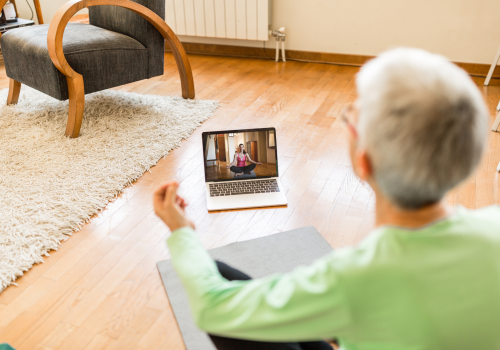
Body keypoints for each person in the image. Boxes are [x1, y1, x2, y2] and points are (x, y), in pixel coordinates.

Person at [153, 48, 500, 350]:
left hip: (358, 300)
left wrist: (180, 231)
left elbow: (212, 309)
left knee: (219, 299)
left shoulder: (356, 277)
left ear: (364, 161)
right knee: (217, 270)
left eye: (352, 116)